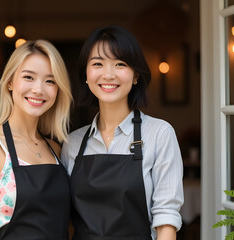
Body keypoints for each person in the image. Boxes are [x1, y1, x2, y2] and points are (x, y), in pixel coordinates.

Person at [61, 26, 184, 240]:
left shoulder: (159, 134)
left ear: (136, 75)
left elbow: (166, 221)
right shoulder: (72, 143)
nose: (108, 74)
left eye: (120, 64)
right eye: (98, 64)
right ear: (86, 75)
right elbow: (63, 218)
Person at [0, 40, 73, 240]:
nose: (38, 89)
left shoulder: (55, 150)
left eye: (50, 81)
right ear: (10, 82)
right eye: (29, 77)